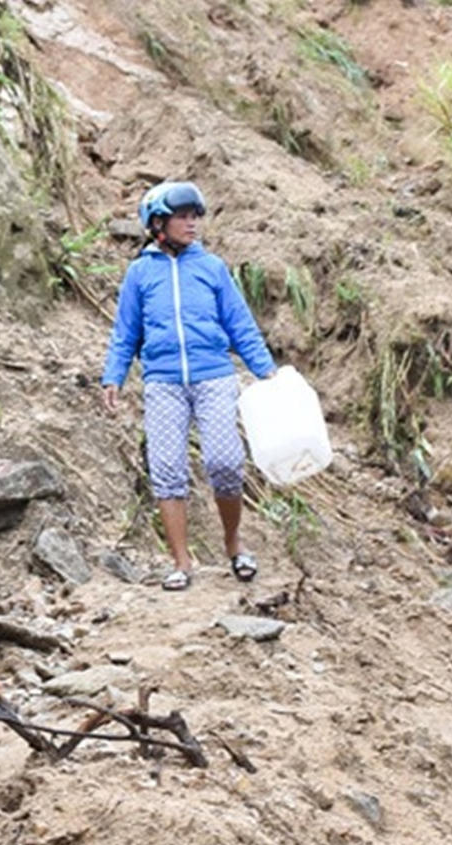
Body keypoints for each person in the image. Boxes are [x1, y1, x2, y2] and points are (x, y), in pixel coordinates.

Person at [101, 180, 277, 590]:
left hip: (214, 376)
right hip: (163, 383)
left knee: (225, 463)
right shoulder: (140, 273)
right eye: (182, 216)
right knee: (166, 470)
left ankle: (234, 544)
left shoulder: (211, 268)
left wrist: (266, 371)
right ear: (157, 222)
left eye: (195, 216)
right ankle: (181, 562)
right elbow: (125, 332)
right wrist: (114, 375)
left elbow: (240, 325)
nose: (191, 224)